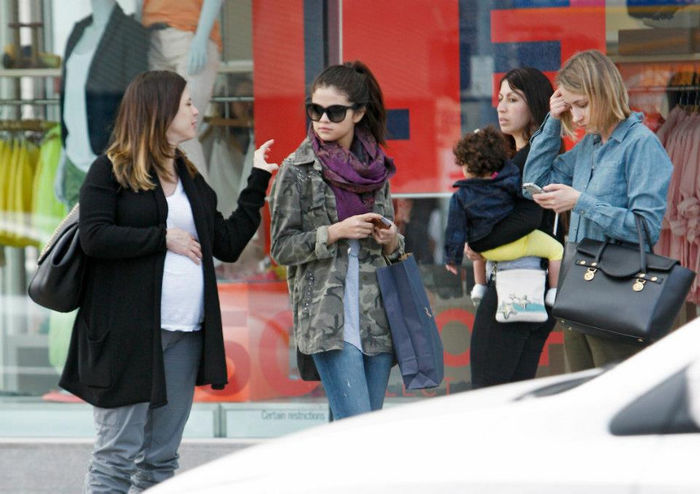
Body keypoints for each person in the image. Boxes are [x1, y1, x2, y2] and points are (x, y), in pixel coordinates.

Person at [58, 70, 278, 493]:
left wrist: (257, 180)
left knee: (160, 460)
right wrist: (163, 238)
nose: (198, 111)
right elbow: (94, 236)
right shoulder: (110, 169)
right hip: (126, 336)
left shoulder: (189, 176)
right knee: (115, 460)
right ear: (160, 112)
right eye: (188, 105)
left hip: (185, 334)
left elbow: (228, 243)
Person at [269, 61, 404, 420]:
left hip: (376, 317)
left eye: (334, 111)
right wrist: (335, 231)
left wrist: (391, 239)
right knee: (357, 428)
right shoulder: (296, 170)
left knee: (357, 430)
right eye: (315, 109)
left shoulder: (377, 169)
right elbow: (281, 248)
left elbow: (395, 248)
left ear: (358, 113)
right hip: (327, 318)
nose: (322, 119)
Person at [523, 49, 673, 371]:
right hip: (578, 287)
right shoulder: (589, 146)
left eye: (582, 105)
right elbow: (534, 181)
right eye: (571, 106)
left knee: (615, 395)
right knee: (582, 396)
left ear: (604, 94)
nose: (576, 117)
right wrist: (552, 120)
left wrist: (581, 202)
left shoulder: (641, 144)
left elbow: (646, 228)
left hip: (616, 290)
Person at [464, 67, 562, 389]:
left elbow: (528, 218)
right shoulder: (517, 158)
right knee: (513, 395)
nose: (501, 107)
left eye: (513, 99)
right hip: (529, 287)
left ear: (535, 105)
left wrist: (479, 240)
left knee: (488, 396)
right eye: (500, 99)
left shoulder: (531, 158)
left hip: (514, 286)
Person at [444, 125, 562, 306]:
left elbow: (455, 230)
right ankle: (554, 292)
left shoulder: (460, 196)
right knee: (555, 250)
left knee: (474, 235)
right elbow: (523, 199)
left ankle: (479, 286)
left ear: (466, 166)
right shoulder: (510, 179)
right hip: (516, 245)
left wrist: (452, 258)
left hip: (486, 252)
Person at [139, 0, 224, 179]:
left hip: (190, 34)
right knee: (160, 134)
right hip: (152, 37)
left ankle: (202, 204)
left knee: (183, 129)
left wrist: (201, 36)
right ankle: (174, 202)